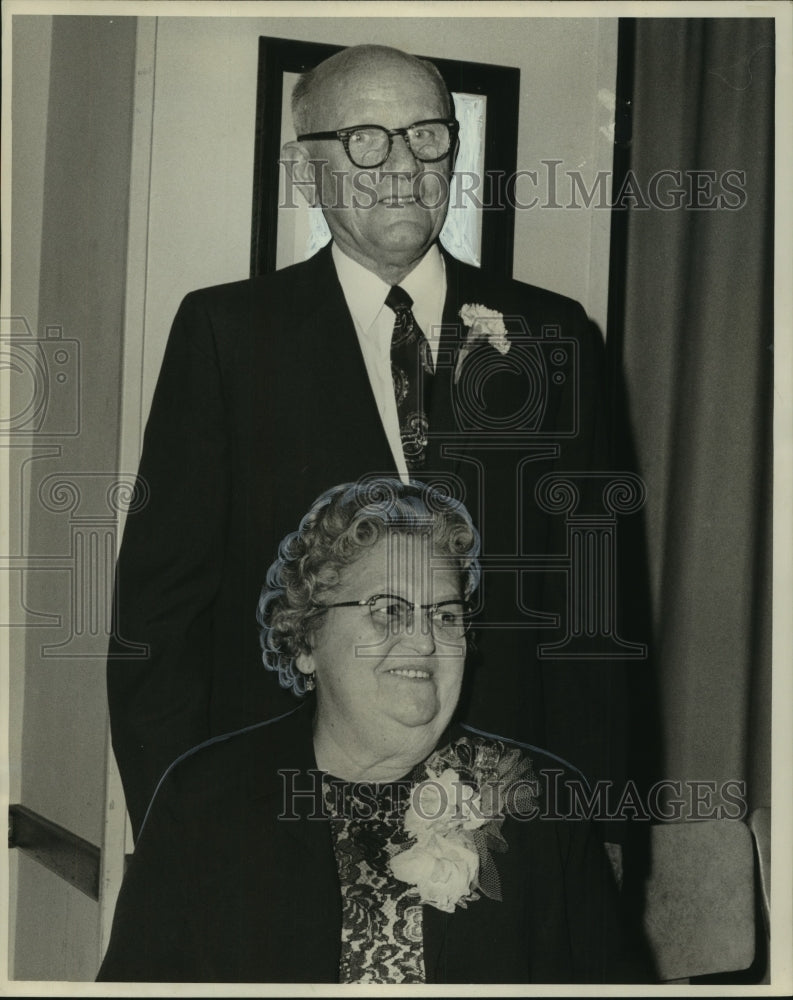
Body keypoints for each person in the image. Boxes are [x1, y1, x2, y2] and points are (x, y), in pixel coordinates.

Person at [108, 43, 625, 840]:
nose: (399, 165)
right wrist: (181, 829)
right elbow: (160, 615)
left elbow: (596, 605)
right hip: (280, 815)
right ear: (307, 168)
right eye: (364, 139)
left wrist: (600, 830)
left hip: (505, 820)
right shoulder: (228, 334)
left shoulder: (549, 333)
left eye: (425, 135)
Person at [98, 479, 647, 984]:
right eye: (388, 611)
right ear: (308, 640)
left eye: (446, 616)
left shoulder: (541, 805)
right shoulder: (204, 801)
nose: (425, 642)